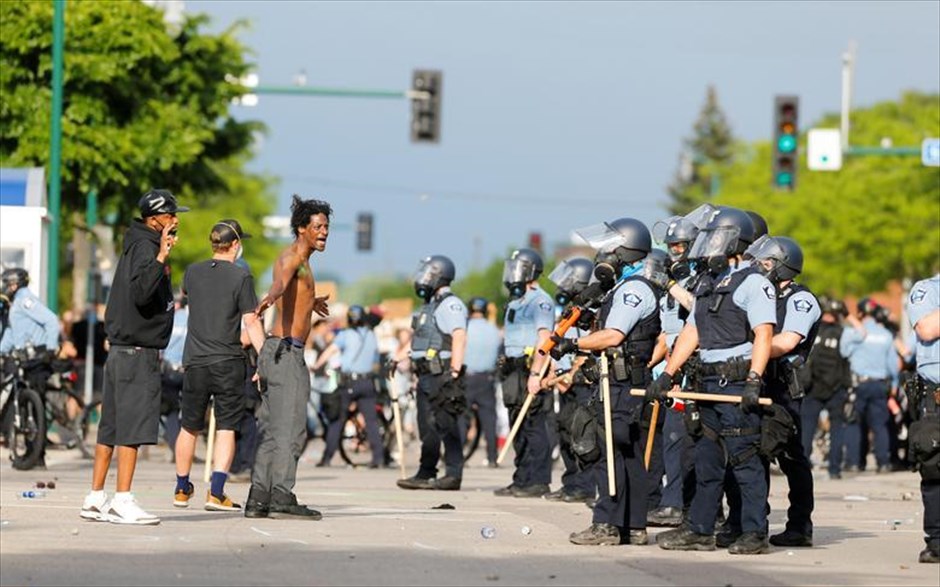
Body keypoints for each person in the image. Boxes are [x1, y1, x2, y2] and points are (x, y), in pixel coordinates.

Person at [648, 206, 776, 555]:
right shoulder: (706, 282)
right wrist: (669, 374)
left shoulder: (754, 282)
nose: (707, 244)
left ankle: (754, 532)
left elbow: (763, 334)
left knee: (745, 461)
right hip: (705, 385)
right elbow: (692, 331)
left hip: (735, 383)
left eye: (714, 237)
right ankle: (701, 530)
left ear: (734, 240)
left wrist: (754, 378)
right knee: (705, 460)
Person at [80, 189, 188, 525]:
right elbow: (143, 293)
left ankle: (96, 497)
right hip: (137, 352)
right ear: (156, 218)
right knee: (132, 427)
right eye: (171, 215)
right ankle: (122, 499)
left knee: (110, 427)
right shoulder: (147, 247)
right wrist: (162, 256)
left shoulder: (134, 242)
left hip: (121, 351)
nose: (175, 221)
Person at [556, 219, 662, 546]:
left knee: (610, 453)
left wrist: (572, 344)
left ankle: (607, 524)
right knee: (627, 453)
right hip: (623, 380)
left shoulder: (633, 289)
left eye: (610, 249)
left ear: (624, 252)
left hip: (621, 382)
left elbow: (615, 336)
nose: (603, 255)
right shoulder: (622, 289)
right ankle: (633, 525)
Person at [244, 195, 332, 520]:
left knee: (271, 428)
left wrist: (311, 302)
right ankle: (282, 494)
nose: (324, 232)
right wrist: (272, 296)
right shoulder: (294, 256)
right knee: (292, 429)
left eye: (326, 227)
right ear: (301, 229)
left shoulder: (304, 262)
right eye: (318, 227)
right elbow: (281, 281)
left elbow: (292, 288)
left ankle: (258, 498)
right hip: (286, 352)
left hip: (274, 351)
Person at [173, 220, 266, 512]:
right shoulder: (241, 278)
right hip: (227, 361)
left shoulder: (192, 272)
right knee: (226, 427)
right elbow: (251, 321)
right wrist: (264, 359)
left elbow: (187, 296)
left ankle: (181, 488)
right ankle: (215, 492)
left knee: (189, 426)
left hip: (195, 361)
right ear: (235, 244)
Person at [739, 235, 820, 549]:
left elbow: (786, 342)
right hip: (756, 379)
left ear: (784, 266)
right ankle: (753, 521)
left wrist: (747, 353)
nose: (761, 267)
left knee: (790, 457)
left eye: (768, 262)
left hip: (783, 388)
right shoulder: (762, 294)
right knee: (751, 453)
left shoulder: (801, 299)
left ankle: (800, 525)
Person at [647, 213, 702, 527]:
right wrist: (651, 366)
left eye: (680, 244)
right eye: (671, 245)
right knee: (666, 442)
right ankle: (663, 500)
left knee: (679, 441)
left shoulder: (696, 277)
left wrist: (669, 283)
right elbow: (667, 335)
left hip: (686, 373)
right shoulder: (673, 279)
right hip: (666, 372)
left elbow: (699, 310)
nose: (675, 251)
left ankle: (676, 504)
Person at [396, 255, 469, 491]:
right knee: (426, 427)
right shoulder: (430, 304)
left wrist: (455, 373)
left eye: (427, 274)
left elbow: (459, 336)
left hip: (442, 374)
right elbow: (419, 340)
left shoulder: (450, 304)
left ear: (439, 276)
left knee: (446, 425)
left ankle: (453, 474)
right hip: (425, 375)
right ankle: (426, 472)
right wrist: (398, 358)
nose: (422, 279)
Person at [494, 248, 555, 498]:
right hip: (512, 368)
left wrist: (536, 374)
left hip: (530, 367)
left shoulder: (539, 300)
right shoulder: (516, 301)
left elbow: (545, 340)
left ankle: (537, 480)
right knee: (516, 424)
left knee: (533, 425)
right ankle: (521, 477)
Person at [541, 257, 598, 504]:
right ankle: (571, 483)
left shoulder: (592, 311)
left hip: (582, 383)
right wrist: (555, 373)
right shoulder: (569, 312)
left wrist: (572, 373)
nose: (562, 287)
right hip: (565, 384)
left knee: (582, 436)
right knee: (564, 433)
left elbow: (588, 350)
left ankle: (585, 485)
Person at [315, 305, 383, 468]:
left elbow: (331, 350)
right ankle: (378, 458)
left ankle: (327, 458)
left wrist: (317, 365)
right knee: (371, 422)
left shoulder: (345, 335)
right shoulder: (371, 335)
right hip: (367, 382)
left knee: (337, 420)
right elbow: (375, 359)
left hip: (349, 382)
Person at [841, 297, 899, 473]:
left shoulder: (854, 332)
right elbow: (892, 366)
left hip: (859, 383)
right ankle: (883, 463)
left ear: (859, 313)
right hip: (880, 384)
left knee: (854, 422)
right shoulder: (886, 335)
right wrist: (894, 385)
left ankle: (854, 462)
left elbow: (844, 352)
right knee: (879, 425)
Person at [906, 273, 940, 564]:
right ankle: (938, 541)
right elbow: (928, 329)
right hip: (936, 395)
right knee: (934, 467)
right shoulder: (927, 290)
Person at [801, 297, 853, 479]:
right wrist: (849, 316)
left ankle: (802, 467)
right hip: (836, 387)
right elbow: (860, 338)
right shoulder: (843, 333)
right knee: (837, 429)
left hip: (813, 386)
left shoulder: (812, 331)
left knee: (807, 428)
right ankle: (835, 469)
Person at [463, 296, 503, 467]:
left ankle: (458, 455)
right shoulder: (493, 330)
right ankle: (492, 457)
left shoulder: (464, 328)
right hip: (487, 378)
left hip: (466, 377)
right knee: (489, 419)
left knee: (462, 418)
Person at [0, 268, 61, 357]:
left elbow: (51, 320)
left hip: (37, 357)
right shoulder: (15, 304)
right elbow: (12, 332)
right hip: (24, 358)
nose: (4, 288)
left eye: (7, 284)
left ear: (16, 285)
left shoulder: (25, 301)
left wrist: (50, 349)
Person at [160, 293, 188, 457]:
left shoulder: (169, 319)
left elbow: (161, 346)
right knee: (187, 409)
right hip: (187, 368)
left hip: (169, 369)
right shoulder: (191, 319)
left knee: (171, 410)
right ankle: (184, 448)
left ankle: (174, 446)